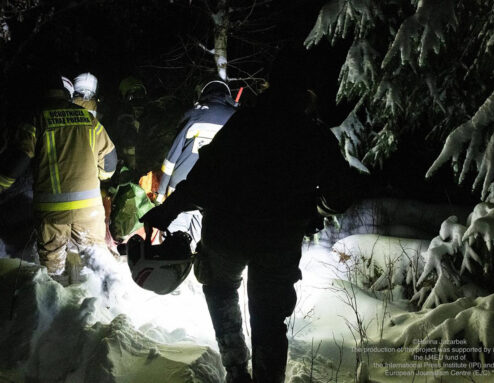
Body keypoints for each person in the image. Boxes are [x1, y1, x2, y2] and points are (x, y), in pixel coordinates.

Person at [140, 47, 364, 383]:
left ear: (270, 84)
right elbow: (341, 195)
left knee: (219, 290)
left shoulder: (243, 124)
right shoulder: (314, 136)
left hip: (226, 236)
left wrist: (167, 211)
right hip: (278, 244)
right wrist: (314, 210)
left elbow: (204, 178)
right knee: (269, 319)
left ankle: (235, 370)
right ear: (306, 91)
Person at [0, 69, 117, 284]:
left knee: (53, 267)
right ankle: (105, 299)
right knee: (94, 258)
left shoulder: (37, 118)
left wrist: (2, 183)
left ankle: (58, 301)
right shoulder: (88, 119)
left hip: (53, 214)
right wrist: (100, 174)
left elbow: (19, 158)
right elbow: (110, 161)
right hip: (89, 210)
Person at [156, 79, 237, 250]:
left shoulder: (192, 114)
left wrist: (160, 192)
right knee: (201, 239)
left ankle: (175, 268)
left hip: (180, 188)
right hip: (215, 193)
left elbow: (171, 158)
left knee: (173, 240)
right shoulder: (237, 117)